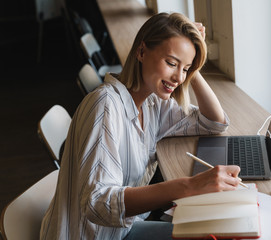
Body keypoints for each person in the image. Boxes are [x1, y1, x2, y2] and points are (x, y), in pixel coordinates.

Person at [40, 12, 241, 240]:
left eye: (185, 69)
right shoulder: (105, 106)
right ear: (142, 52)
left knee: (213, 233)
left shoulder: (152, 102)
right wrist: (189, 186)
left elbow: (214, 122)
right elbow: (97, 204)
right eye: (171, 63)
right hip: (94, 235)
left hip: (120, 229)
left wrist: (189, 63)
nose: (179, 78)